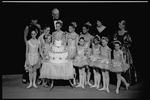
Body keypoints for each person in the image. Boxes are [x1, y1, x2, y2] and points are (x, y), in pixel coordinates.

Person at [113, 20, 138, 85]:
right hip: (117, 50)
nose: (119, 26)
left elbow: (129, 43)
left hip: (124, 51)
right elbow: (114, 40)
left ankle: (126, 81)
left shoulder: (126, 33)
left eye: (120, 25)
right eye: (118, 25)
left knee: (124, 64)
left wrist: (122, 48)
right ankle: (118, 80)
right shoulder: (117, 32)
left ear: (124, 25)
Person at [23, 14, 41, 84]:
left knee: (36, 62)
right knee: (28, 62)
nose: (35, 21)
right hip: (29, 45)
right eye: (34, 20)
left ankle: (35, 78)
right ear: (31, 20)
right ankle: (25, 77)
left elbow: (39, 36)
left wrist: (37, 44)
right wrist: (28, 44)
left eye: (36, 20)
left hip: (36, 44)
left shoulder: (38, 26)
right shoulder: (28, 27)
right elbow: (25, 37)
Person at [80, 22, 94, 87]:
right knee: (83, 66)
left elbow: (92, 45)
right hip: (82, 52)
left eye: (85, 29)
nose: (83, 30)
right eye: (83, 29)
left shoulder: (91, 37)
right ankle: (83, 80)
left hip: (88, 52)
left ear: (88, 29)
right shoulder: (81, 36)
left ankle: (87, 81)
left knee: (88, 67)